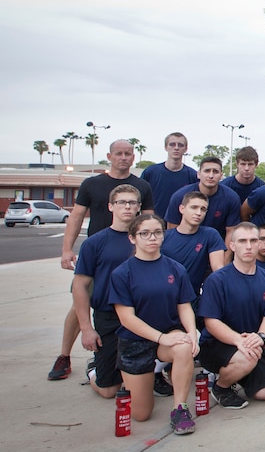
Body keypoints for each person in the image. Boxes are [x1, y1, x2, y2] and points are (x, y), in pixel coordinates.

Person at [51, 140, 153, 381]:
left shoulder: (142, 186)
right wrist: (67, 250)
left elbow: (149, 219)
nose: (123, 157)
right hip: (100, 256)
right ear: (109, 156)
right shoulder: (93, 184)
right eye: (119, 153)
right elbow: (76, 216)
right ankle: (64, 356)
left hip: (131, 252)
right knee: (80, 304)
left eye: (128, 153)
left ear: (133, 157)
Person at [111, 214, 200, 434]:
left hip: (167, 336)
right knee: (141, 415)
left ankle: (180, 409)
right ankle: (97, 375)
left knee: (183, 347)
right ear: (133, 238)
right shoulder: (122, 273)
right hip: (136, 342)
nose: (152, 238)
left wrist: (191, 333)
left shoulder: (175, 269)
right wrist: (161, 337)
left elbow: (184, 305)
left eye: (158, 232)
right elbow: (126, 318)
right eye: (145, 233)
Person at [199, 222, 265, 409]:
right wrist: (238, 340)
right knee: (247, 358)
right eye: (242, 241)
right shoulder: (217, 280)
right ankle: (221, 386)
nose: (248, 246)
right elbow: (211, 322)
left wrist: (261, 337)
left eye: (254, 240)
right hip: (217, 344)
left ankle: (240, 374)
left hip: (253, 343)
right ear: (232, 245)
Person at [72, 184, 141, 398]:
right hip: (108, 316)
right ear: (111, 206)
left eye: (132, 203)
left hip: (142, 315)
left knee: (137, 385)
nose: (127, 207)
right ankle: (95, 370)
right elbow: (80, 286)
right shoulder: (94, 243)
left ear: (139, 207)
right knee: (109, 391)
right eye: (122, 202)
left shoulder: (149, 239)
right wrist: (86, 328)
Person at [161, 191, 228, 308]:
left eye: (203, 209)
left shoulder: (210, 235)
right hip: (163, 298)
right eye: (194, 207)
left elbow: (218, 269)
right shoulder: (163, 237)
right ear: (182, 209)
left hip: (193, 300)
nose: (198, 213)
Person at [165, 157, 241, 240]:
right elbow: (172, 230)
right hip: (185, 243)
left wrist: (225, 253)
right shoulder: (180, 196)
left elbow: (231, 232)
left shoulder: (231, 198)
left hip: (217, 246)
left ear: (221, 176)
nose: (211, 176)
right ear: (198, 174)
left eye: (215, 172)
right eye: (207, 171)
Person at [141, 132, 197, 218]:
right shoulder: (151, 172)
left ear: (186, 149)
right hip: (154, 224)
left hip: (181, 225)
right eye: (172, 144)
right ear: (166, 147)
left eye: (180, 145)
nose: (176, 148)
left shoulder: (193, 175)